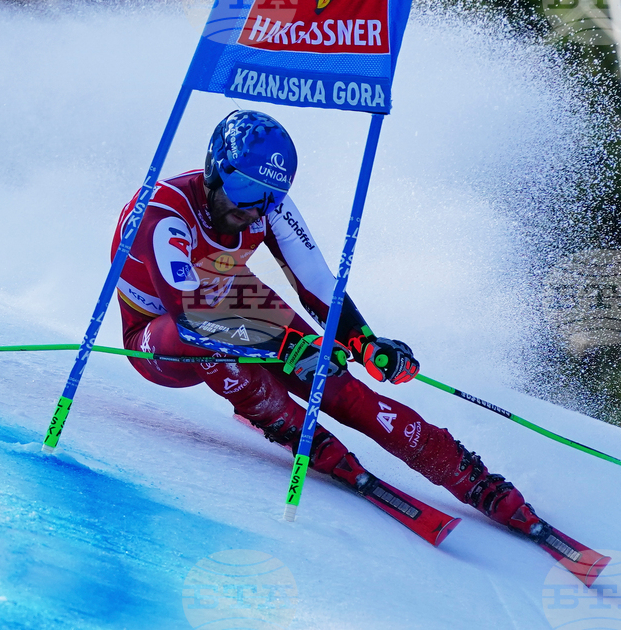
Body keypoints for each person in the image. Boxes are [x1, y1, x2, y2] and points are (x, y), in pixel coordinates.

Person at [111, 109, 544, 538]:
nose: (254, 208)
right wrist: (282, 347)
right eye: (243, 188)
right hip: (159, 331)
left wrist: (364, 342)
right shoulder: (163, 212)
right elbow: (191, 319)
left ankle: (470, 477)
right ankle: (291, 427)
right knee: (221, 350)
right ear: (214, 169)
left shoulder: (265, 205)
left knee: (333, 378)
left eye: (270, 196)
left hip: (231, 296)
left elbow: (315, 281)